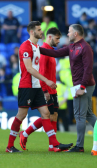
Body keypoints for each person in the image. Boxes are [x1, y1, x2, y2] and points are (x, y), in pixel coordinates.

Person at [6, 21, 73, 153]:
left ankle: (54, 143)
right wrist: (46, 81)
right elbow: (29, 69)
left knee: (46, 113)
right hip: (27, 86)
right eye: (39, 30)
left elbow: (51, 53)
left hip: (36, 86)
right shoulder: (25, 46)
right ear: (32, 32)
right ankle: (9, 146)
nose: (42, 32)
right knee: (21, 115)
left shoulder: (37, 46)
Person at [39, 24, 97, 152]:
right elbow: (54, 53)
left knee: (80, 116)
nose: (68, 34)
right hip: (80, 85)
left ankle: (79, 146)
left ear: (76, 34)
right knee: (88, 114)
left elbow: (88, 69)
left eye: (69, 32)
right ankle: (81, 145)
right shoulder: (72, 47)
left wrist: (81, 87)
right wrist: (37, 49)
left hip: (85, 85)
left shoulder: (85, 47)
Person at [19, 27, 62, 151]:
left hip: (52, 89)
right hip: (46, 89)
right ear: (50, 37)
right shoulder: (43, 53)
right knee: (47, 115)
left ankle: (52, 145)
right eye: (57, 38)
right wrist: (45, 90)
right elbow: (40, 72)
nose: (59, 41)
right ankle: (25, 134)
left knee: (53, 116)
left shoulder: (50, 51)